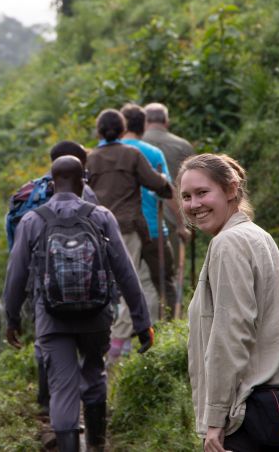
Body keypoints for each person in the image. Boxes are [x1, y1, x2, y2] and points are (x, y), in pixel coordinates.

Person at [4, 155, 155, 452]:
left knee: (62, 388)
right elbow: (126, 272)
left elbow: (15, 275)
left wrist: (11, 320)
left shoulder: (33, 221)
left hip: (51, 318)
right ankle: (98, 444)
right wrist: (142, 322)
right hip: (96, 316)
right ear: (83, 180)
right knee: (94, 371)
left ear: (51, 182)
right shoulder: (101, 216)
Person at [180, 153, 279, 451]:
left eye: (202, 193)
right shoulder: (261, 238)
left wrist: (214, 420)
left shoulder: (228, 243)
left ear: (231, 189)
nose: (193, 205)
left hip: (245, 419)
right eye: (186, 196)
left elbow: (231, 333)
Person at [6, 140, 99, 414]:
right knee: (90, 356)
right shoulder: (90, 196)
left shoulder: (26, 195)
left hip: (39, 286)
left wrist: (12, 315)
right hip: (88, 288)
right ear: (82, 167)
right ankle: (90, 422)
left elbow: (15, 254)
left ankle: (49, 408)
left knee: (46, 344)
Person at [85, 109, 173, 362]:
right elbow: (156, 184)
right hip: (127, 229)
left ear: (99, 131)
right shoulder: (131, 154)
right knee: (132, 283)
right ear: (123, 130)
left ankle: (113, 344)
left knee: (108, 287)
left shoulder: (90, 159)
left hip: (96, 230)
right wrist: (166, 183)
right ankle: (116, 346)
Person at [119, 103, 189, 322]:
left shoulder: (107, 152)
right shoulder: (155, 152)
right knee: (163, 280)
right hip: (154, 227)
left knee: (128, 283)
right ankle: (165, 326)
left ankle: (129, 336)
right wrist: (182, 224)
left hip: (119, 229)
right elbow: (167, 192)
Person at [142, 102, 196, 309]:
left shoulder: (134, 145)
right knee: (169, 272)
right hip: (175, 216)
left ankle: (151, 318)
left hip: (145, 215)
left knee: (146, 274)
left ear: (146, 122)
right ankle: (172, 315)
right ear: (166, 121)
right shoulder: (182, 145)